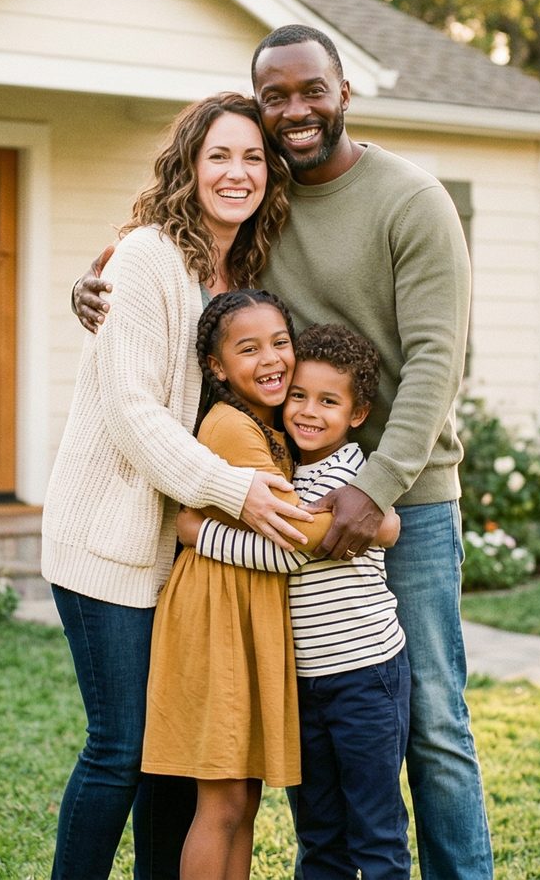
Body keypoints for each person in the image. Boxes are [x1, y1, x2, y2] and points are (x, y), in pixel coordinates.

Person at [74, 25, 493, 877]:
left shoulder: (413, 200)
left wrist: (373, 488)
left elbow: (438, 364)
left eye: (312, 91)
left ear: (345, 93)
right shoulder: (266, 198)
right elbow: (181, 242)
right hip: (293, 492)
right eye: (277, 97)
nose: (295, 111)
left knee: (435, 724)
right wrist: (98, 278)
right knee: (317, 723)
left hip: (401, 495)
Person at [41, 92, 317, 880]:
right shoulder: (146, 257)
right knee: (121, 748)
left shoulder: (248, 267)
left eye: (254, 157)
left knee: (171, 758)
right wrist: (233, 488)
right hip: (106, 539)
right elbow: (131, 408)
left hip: (178, 545)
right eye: (220, 156)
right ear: (188, 166)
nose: (238, 172)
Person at [182, 323, 410, 879]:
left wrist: (198, 536)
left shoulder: (355, 480)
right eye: (299, 396)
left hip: (366, 675)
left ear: (357, 415)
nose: (309, 411)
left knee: (375, 832)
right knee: (319, 833)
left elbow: (292, 554)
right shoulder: (279, 472)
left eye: (329, 401)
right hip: (303, 683)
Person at [142, 289, 309, 879]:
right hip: (217, 617)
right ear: (217, 367)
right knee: (222, 801)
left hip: (245, 612)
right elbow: (303, 534)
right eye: (249, 348)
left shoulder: (268, 426)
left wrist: (198, 529)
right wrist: (382, 520)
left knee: (244, 797)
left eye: (281, 342)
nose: (272, 359)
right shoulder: (235, 430)